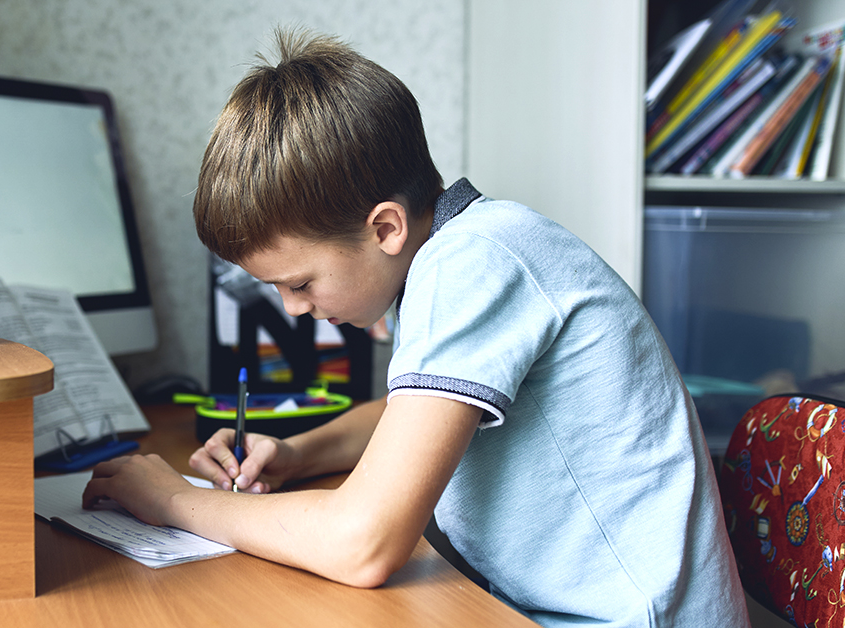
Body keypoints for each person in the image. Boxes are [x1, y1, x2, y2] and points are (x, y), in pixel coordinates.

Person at [82, 30, 748, 626]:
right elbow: (414, 417)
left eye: (300, 281)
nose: (292, 308)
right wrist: (294, 454)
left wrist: (172, 500)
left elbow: (365, 542)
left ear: (385, 228)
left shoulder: (476, 260)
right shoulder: (457, 253)